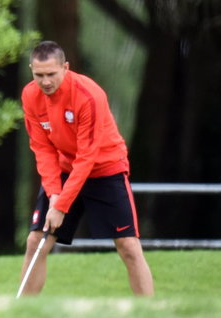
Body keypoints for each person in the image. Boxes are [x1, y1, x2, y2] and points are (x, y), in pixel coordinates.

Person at [18, 40, 154, 296]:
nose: (45, 81)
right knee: (36, 240)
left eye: (51, 74)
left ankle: (148, 313)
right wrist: (54, 193)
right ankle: (23, 310)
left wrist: (60, 206)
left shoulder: (88, 95)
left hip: (105, 169)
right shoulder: (30, 95)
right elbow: (42, 149)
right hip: (64, 168)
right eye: (39, 75)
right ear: (31, 70)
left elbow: (87, 157)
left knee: (128, 245)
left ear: (65, 68)